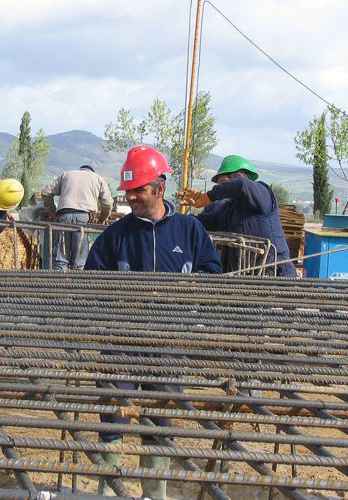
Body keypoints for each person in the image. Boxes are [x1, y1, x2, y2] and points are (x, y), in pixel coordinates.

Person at [85, 145, 221, 500]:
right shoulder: (116, 235)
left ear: (159, 189)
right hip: (122, 344)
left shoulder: (190, 230)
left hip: (168, 343)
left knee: (160, 422)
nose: (131, 197)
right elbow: (93, 280)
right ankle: (108, 492)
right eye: (128, 191)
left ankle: (154, 494)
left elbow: (212, 272)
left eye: (138, 191)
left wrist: (189, 292)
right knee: (113, 419)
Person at [177, 155, 297, 277]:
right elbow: (202, 222)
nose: (221, 190)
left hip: (276, 274)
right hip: (250, 280)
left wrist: (208, 197)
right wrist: (174, 219)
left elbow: (242, 185)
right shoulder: (228, 210)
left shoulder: (263, 195)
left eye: (223, 184)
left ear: (238, 176)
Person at [40, 164, 113, 270]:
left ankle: (58, 284)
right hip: (85, 218)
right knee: (80, 260)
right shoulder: (97, 178)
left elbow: (45, 193)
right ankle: (78, 283)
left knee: (61, 257)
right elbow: (108, 203)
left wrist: (52, 211)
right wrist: (102, 218)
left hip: (64, 216)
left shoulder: (66, 175)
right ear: (91, 171)